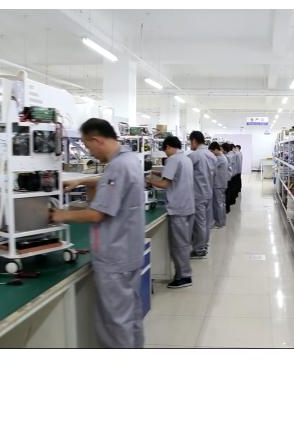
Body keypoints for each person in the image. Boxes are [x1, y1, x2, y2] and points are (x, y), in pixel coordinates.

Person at [51, 118, 145, 348]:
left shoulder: (117, 166)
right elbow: (112, 182)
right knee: (130, 316)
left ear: (97, 139)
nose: (89, 152)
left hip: (114, 258)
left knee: (115, 323)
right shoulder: (130, 159)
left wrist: (60, 215)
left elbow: (96, 215)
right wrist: (84, 180)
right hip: (129, 253)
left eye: (87, 145)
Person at [147, 136, 195, 289]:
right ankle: (183, 273)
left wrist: (148, 181)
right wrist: (154, 172)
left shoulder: (173, 159)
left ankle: (184, 276)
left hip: (178, 207)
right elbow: (174, 176)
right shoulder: (185, 158)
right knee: (184, 242)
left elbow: (164, 184)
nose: (165, 154)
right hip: (187, 205)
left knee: (179, 244)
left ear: (168, 146)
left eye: (164, 150)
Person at [187, 131, 216, 258]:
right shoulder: (211, 155)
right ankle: (204, 245)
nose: (190, 145)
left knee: (199, 223)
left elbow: (183, 169)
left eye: (190, 142)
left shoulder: (195, 155)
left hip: (198, 193)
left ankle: (199, 249)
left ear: (194, 141)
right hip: (208, 192)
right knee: (206, 222)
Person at [209, 141, 228, 228]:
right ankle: (222, 221)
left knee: (218, 204)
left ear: (216, 149)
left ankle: (219, 223)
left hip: (218, 185)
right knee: (221, 203)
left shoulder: (220, 159)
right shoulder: (222, 157)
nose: (212, 154)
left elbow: (210, 167)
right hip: (221, 183)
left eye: (212, 151)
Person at [222, 142, 237, 213]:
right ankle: (230, 203)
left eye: (222, 149)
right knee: (230, 190)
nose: (221, 150)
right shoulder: (231, 155)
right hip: (231, 174)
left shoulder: (227, 156)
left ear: (224, 149)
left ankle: (227, 208)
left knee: (227, 192)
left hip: (228, 176)